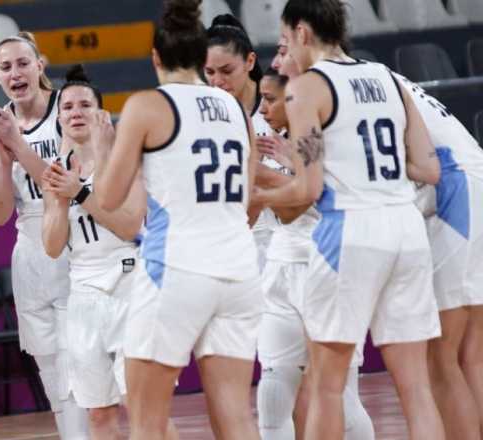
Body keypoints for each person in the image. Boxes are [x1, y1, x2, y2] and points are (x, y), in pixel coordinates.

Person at [254, 0, 443, 438]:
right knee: (415, 387)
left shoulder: (307, 88)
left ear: (302, 32)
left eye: (286, 39)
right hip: (405, 226)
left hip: (350, 233)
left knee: (327, 385)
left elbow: (307, 188)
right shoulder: (389, 78)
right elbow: (428, 167)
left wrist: (255, 191)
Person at [95, 0, 262, 438]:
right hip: (239, 268)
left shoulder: (147, 106)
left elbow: (109, 197)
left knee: (147, 422)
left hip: (177, 268)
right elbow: (246, 196)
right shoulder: (235, 109)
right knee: (237, 418)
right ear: (200, 57)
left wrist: (106, 147)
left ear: (155, 57)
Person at [253, 63, 374, 440]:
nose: (263, 109)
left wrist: (262, 175)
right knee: (272, 393)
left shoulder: (318, 137)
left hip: (326, 265)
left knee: (340, 396)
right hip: (281, 265)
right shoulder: (273, 142)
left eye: (271, 100)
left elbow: (313, 196)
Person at [0, 31, 90, 439]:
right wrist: (0, 161)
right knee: (48, 362)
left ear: (40, 66)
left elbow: (62, 183)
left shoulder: (68, 107)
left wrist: (17, 145)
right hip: (27, 244)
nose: (16, 73)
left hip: (72, 236)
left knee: (77, 359)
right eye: (6, 67)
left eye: (23, 63)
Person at [39, 65, 148, 438]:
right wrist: (56, 200)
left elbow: (130, 226)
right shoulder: (57, 173)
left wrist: (80, 193)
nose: (75, 112)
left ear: (101, 114)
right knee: (99, 415)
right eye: (67, 107)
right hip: (83, 292)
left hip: (129, 284)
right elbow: (53, 247)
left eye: (84, 105)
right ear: (58, 117)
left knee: (144, 407)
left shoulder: (125, 159)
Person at [396, 72, 483, 440]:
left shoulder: (336, 88)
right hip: (472, 179)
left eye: (285, 46)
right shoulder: (384, 77)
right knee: (472, 355)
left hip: (456, 190)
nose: (282, 57)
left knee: (441, 357)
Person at [204, 13, 279, 270]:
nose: (217, 81)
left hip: (289, 239)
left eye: (226, 71)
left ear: (249, 61)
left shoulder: (279, 104)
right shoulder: (203, 118)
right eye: (209, 72)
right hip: (235, 244)